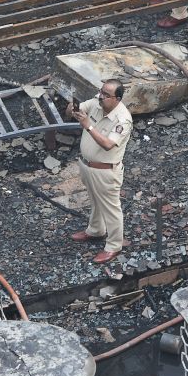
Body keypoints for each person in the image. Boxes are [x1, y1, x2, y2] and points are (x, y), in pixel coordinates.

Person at [66, 79, 134, 264]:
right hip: (87, 165)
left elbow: (107, 144)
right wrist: (72, 108)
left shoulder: (123, 120)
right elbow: (76, 111)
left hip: (106, 171)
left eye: (106, 95)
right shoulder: (96, 102)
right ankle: (95, 230)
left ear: (117, 99)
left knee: (111, 209)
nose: (100, 96)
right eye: (101, 91)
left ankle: (114, 246)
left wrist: (88, 125)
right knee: (95, 200)